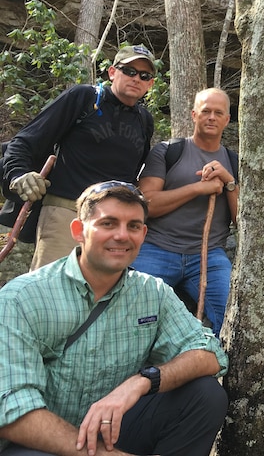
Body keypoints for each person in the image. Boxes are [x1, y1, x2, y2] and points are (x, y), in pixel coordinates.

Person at [0, 181, 228, 456]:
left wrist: (143, 381)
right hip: (40, 442)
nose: (122, 235)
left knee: (205, 395)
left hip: (116, 428)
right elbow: (13, 410)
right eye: (108, 223)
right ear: (78, 231)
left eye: (133, 226)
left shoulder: (151, 292)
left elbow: (210, 353)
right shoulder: (22, 298)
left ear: (143, 233)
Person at [2, 44, 156, 270]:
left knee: (102, 297)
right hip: (66, 214)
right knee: (51, 292)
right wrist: (18, 175)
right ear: (113, 72)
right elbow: (25, 140)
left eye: (144, 75)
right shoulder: (84, 98)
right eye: (129, 71)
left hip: (114, 222)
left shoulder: (144, 120)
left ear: (150, 84)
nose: (136, 79)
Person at [131, 88, 238, 336]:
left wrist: (229, 182)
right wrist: (197, 189)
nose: (211, 117)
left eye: (218, 112)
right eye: (205, 111)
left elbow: (241, 220)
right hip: (156, 249)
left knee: (232, 314)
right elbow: (147, 205)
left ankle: (214, 370)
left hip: (208, 257)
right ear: (193, 115)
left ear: (227, 119)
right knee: (137, 314)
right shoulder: (168, 151)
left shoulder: (233, 161)